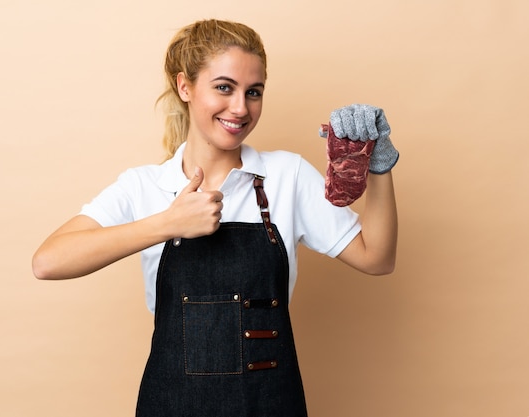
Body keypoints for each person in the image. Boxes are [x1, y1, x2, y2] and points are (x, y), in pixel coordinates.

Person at [32, 19, 398, 417]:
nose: (240, 108)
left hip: (270, 405)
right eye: (224, 87)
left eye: (253, 92)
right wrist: (169, 223)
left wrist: (379, 164)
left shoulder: (286, 176)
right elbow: (48, 262)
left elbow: (376, 257)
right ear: (185, 87)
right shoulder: (145, 186)